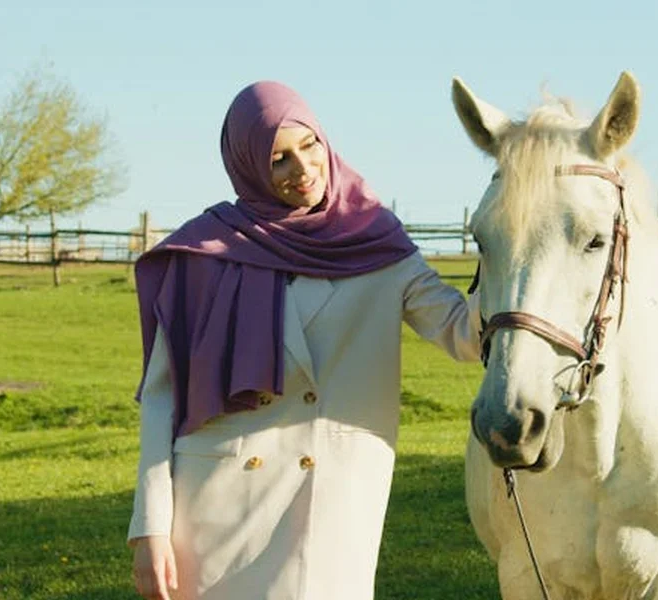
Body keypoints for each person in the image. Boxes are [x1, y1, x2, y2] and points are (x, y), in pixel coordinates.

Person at [127, 81, 481, 600]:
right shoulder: (205, 253)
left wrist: (512, 254)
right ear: (248, 166)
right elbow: (162, 402)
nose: (302, 169)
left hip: (328, 508)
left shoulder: (379, 244)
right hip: (216, 511)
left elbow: (467, 336)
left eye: (309, 145)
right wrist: (151, 527)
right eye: (278, 160)